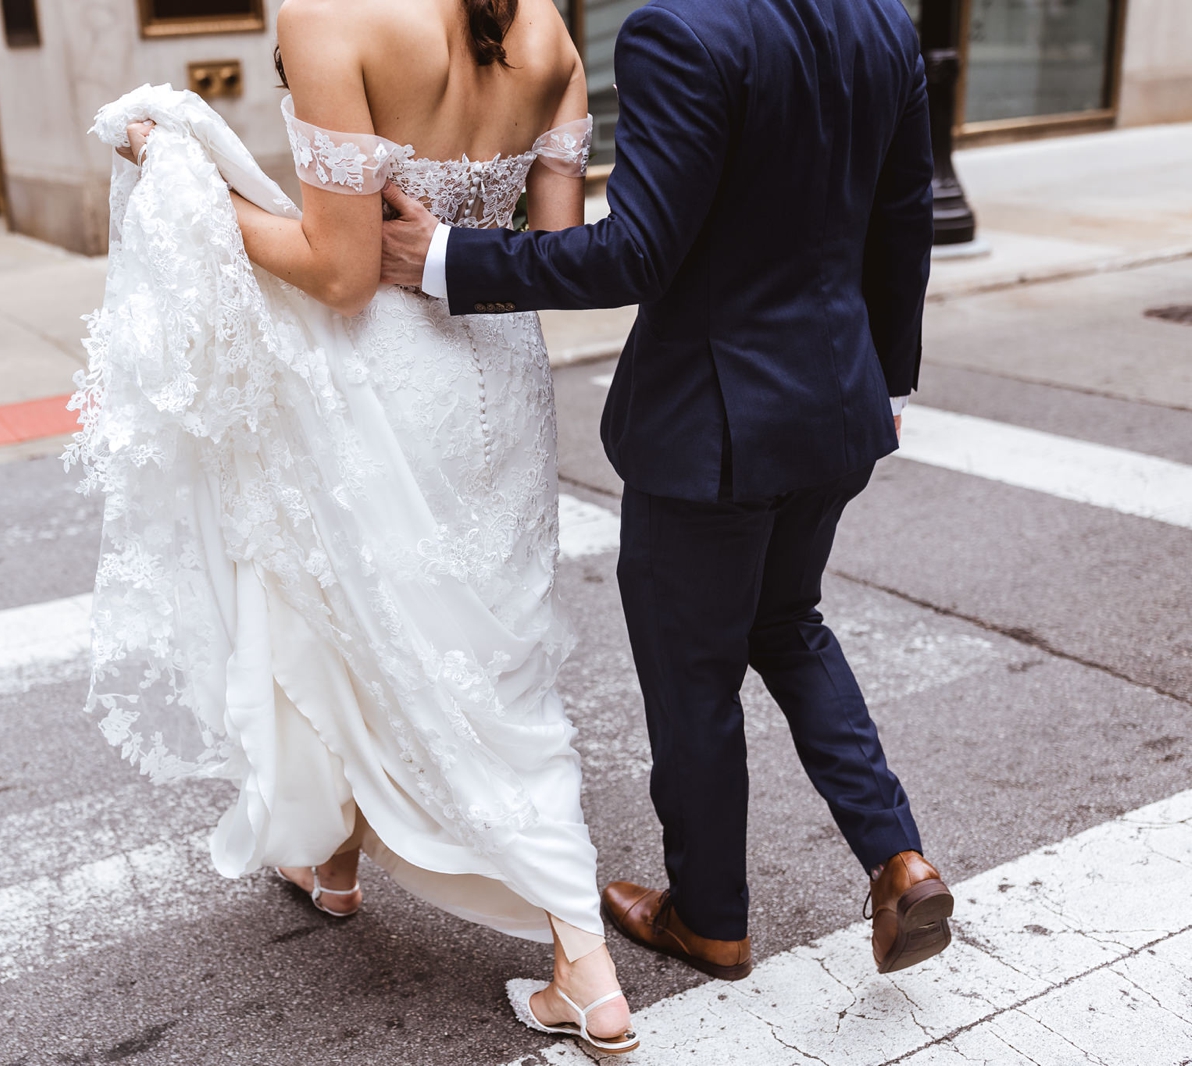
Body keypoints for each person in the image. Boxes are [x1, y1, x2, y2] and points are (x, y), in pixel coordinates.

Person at [78, 0, 636, 1053]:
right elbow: (557, 248)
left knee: (361, 614)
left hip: (389, 375)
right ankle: (337, 861)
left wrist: (178, 179)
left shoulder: (330, 14)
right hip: (498, 361)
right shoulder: (549, 29)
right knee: (487, 652)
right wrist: (466, 233)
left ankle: (582, 955)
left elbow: (337, 275)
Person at [380, 0, 955, 980]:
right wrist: (884, 382)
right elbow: (902, 220)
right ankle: (899, 858)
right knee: (785, 623)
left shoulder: (677, 32)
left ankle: (711, 917)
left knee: (695, 678)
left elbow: (633, 253)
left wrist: (443, 257)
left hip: (714, 428)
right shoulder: (881, 23)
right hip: (835, 404)